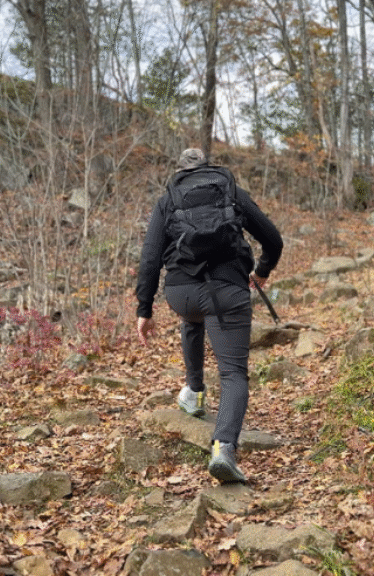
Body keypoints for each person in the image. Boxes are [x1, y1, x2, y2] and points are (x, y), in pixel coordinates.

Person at [135, 148, 283, 483]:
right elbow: (273, 239)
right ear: (207, 167)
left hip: (182, 294)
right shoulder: (230, 192)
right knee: (233, 375)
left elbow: (149, 259)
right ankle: (223, 449)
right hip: (227, 291)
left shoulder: (168, 200)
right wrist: (262, 271)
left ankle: (194, 391)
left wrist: (144, 309)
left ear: (180, 171)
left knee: (192, 319)